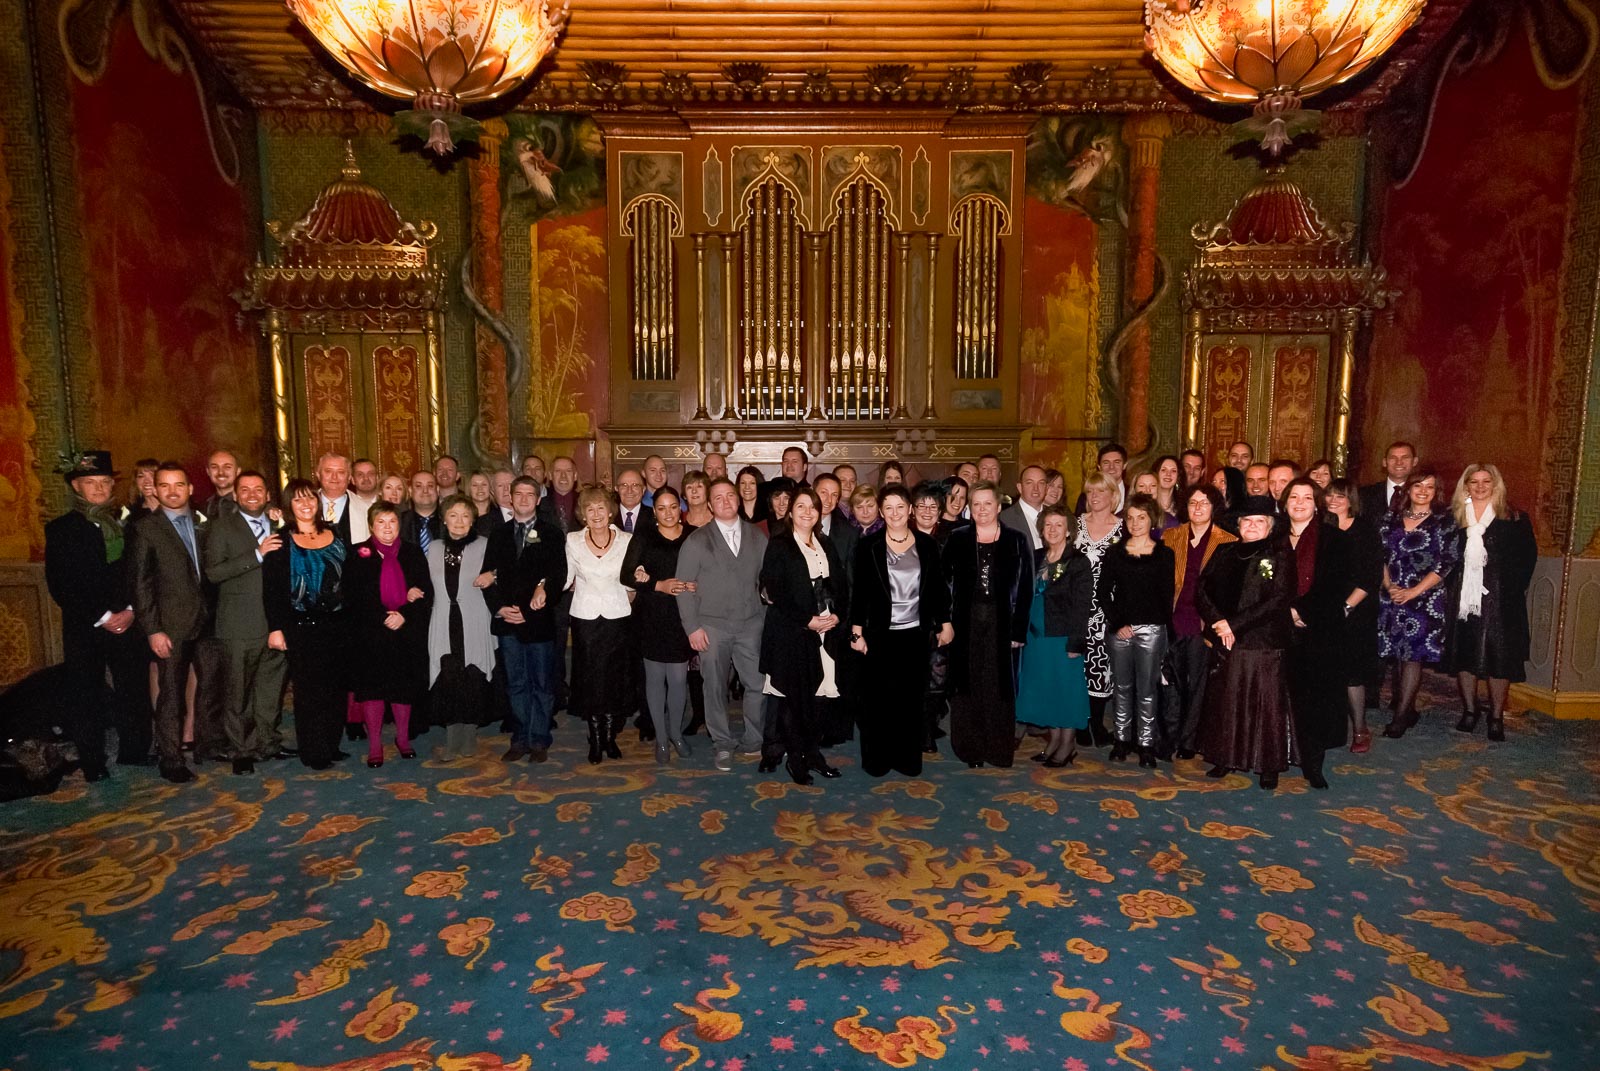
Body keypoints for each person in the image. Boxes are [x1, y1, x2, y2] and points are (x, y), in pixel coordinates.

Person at [45, 450, 150, 780]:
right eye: (91, 483)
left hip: (129, 619)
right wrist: (104, 615)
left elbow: (140, 572)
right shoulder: (62, 529)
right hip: (86, 624)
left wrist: (131, 609)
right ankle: (92, 762)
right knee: (86, 693)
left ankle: (135, 751)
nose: (99, 489)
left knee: (133, 689)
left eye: (104, 482)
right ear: (77, 486)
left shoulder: (129, 525)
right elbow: (60, 583)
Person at [851, 484, 953, 776]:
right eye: (889, 508)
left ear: (910, 510)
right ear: (882, 512)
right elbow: (860, 593)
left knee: (910, 699)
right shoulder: (867, 546)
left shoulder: (927, 544)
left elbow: (937, 589)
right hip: (878, 634)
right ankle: (878, 760)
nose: (895, 513)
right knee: (878, 700)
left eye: (900, 507)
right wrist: (856, 633)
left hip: (915, 634)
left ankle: (907, 759)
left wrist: (945, 622)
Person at [1196, 495, 1296, 789]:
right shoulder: (1224, 551)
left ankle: (1268, 764)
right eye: (1247, 521)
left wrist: (1234, 624)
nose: (1252, 526)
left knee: (1266, 704)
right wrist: (1218, 622)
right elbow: (1201, 590)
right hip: (1226, 639)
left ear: (1270, 526)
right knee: (1227, 700)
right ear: (1238, 526)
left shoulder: (1279, 553)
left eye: (1259, 522)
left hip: (1264, 640)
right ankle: (1225, 757)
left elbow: (1279, 598)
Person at [676, 477, 769, 771]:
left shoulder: (758, 537)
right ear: (710, 504)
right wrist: (692, 627)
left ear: (738, 499)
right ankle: (723, 743)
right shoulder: (697, 540)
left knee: (757, 683)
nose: (726, 501)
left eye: (730, 495)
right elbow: (684, 585)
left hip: (751, 623)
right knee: (714, 687)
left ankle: (755, 740)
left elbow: (768, 579)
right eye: (718, 498)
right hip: (712, 627)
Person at [129, 461, 213, 783]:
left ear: (190, 489)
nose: (172, 491)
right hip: (170, 626)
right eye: (164, 485)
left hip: (207, 622)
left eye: (179, 485)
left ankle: (207, 745)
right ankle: (170, 758)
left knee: (211, 687)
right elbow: (141, 584)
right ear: (155, 489)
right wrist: (153, 629)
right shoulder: (146, 529)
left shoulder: (204, 523)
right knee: (171, 695)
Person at [202, 470, 290, 775]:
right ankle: (240, 749)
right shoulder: (221, 528)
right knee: (237, 691)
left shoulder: (278, 524)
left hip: (275, 623)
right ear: (236, 496)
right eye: (246, 490)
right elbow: (213, 573)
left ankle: (268, 742)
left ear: (267, 495)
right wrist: (257, 554)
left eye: (259, 489)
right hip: (238, 624)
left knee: (270, 689)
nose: (252, 494)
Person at [1441, 464, 1536, 742]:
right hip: (1463, 600)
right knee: (1466, 656)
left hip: (1502, 600)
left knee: (1500, 658)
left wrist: (1508, 589)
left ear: (1496, 485)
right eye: (1474, 481)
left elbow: (1527, 559)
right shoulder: (1454, 517)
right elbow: (1446, 558)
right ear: (1466, 485)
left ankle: (1495, 716)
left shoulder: (1514, 517)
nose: (1480, 486)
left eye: (1487, 481)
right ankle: (1470, 711)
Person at [758, 487, 847, 784]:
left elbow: (840, 584)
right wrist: (806, 620)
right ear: (790, 512)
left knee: (820, 697)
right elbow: (775, 591)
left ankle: (814, 754)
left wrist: (838, 615)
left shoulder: (825, 543)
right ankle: (796, 760)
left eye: (813, 507)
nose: (807, 512)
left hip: (825, 632)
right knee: (795, 701)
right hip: (792, 633)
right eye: (801, 506)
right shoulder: (780, 544)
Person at [262, 478, 350, 771]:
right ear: (289, 505)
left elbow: (347, 580)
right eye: (298, 499)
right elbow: (272, 590)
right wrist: (276, 628)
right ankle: (314, 751)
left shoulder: (335, 534)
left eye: (310, 498)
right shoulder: (281, 541)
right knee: (309, 691)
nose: (306, 504)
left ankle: (332, 744)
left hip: (337, 624)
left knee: (335, 688)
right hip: (302, 626)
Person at [944, 481, 1032, 768]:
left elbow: (1026, 588)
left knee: (997, 686)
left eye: (987, 503)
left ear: (998, 506)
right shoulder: (957, 538)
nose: (982, 509)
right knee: (968, 683)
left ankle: (997, 749)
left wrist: (1018, 631)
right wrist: (944, 623)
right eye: (976, 504)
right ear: (970, 507)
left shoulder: (1016, 540)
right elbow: (943, 584)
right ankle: (970, 749)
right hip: (964, 623)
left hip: (1002, 622)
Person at [486, 476, 568, 762]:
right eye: (517, 494)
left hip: (539, 622)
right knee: (516, 683)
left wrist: (532, 608)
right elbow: (488, 576)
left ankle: (539, 739)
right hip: (507, 621)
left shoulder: (553, 533)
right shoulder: (498, 534)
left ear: (538, 499)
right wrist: (499, 608)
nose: (523, 499)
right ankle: (520, 737)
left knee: (542, 684)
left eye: (529, 494)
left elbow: (558, 578)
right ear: (509, 497)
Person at [345, 501, 431, 768]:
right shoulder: (358, 554)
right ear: (371, 525)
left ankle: (403, 740)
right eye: (380, 522)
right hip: (371, 633)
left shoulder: (413, 553)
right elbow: (353, 597)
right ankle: (374, 746)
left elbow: (425, 593)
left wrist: (404, 613)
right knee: (373, 689)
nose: (387, 528)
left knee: (402, 688)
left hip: (405, 631)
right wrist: (384, 616)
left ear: (399, 524)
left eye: (392, 522)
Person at [1377, 469, 1459, 738]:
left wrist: (1413, 592)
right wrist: (1390, 586)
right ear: (1408, 489)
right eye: (1418, 485)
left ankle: (1400, 717)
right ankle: (1408, 708)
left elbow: (1446, 563)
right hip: (1392, 593)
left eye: (1430, 487)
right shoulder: (1391, 518)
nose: (1423, 491)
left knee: (1413, 656)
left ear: (1437, 492)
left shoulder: (1444, 521)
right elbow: (1380, 556)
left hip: (1425, 597)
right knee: (1399, 655)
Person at [1096, 494, 1175, 767]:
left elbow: (1166, 597)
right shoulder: (1114, 552)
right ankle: (1121, 740)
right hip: (1120, 630)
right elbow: (1104, 592)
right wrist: (1118, 624)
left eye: (1141, 517)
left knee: (1147, 689)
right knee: (1122, 686)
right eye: (1130, 517)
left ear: (1152, 519)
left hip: (1152, 631)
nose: (1135, 523)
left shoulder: (1165, 554)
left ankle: (1145, 744)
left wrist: (1162, 630)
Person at [1160, 484, 1236, 760]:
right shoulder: (1171, 536)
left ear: (1214, 507)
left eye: (1204, 503)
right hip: (1174, 616)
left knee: (1198, 683)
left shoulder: (1227, 541)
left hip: (1205, 621)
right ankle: (1169, 737)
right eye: (1193, 503)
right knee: (1172, 681)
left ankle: (1190, 741)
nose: (1198, 508)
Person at [621, 487, 696, 762]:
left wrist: (695, 585)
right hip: (650, 616)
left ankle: (676, 733)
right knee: (654, 680)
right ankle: (661, 740)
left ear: (681, 508)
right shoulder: (644, 537)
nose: (668, 513)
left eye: (673, 507)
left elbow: (705, 572)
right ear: (654, 512)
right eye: (661, 508)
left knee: (678, 680)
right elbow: (626, 575)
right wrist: (657, 585)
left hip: (681, 616)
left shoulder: (692, 536)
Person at [1282, 478, 1347, 789]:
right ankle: (1273, 757)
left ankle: (1313, 763)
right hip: (1277, 628)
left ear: (1317, 503)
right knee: (1277, 697)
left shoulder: (1333, 538)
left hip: (1317, 629)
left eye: (1307, 497)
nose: (1299, 502)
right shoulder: (1272, 536)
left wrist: (1300, 612)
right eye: (1293, 496)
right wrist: (1285, 612)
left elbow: (1334, 586)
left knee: (1313, 700)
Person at [1016, 504, 1093, 767]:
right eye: (1048, 524)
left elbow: (1082, 606)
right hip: (1036, 636)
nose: (1053, 529)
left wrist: (1076, 642)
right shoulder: (1037, 557)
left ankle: (1067, 744)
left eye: (1059, 525)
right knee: (1047, 690)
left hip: (1062, 638)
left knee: (1066, 692)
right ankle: (1054, 740)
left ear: (1069, 530)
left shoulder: (1078, 562)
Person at [565, 486, 635, 762]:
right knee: (591, 680)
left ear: (610, 512)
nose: (595, 514)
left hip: (618, 617)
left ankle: (609, 737)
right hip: (585, 619)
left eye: (600, 508)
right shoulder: (572, 540)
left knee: (614, 680)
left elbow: (632, 578)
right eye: (589, 509)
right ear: (583, 514)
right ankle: (594, 739)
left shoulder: (627, 540)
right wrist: (541, 586)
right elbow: (565, 576)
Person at [426, 494, 496, 760]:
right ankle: (452, 737)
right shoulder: (433, 548)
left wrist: (494, 575)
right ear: (444, 519)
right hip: (444, 619)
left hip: (475, 619)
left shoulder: (484, 545)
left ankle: (469, 736)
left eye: (465, 515)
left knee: (473, 677)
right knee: (449, 677)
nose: (459, 521)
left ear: (473, 520)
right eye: (453, 515)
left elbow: (501, 571)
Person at [1324, 477, 1382, 752]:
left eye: (1341, 496)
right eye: (1330, 496)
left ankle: (1360, 729)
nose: (1334, 501)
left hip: (1356, 609)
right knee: (1324, 671)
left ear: (1351, 501)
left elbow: (1370, 577)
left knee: (1352, 673)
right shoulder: (1320, 528)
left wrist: (1345, 608)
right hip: (1324, 607)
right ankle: (1328, 729)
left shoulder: (1365, 531)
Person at [1074, 472, 1123, 746]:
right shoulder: (1076, 523)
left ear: (1112, 495)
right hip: (1077, 609)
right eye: (1090, 492)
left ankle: (1097, 723)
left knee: (1101, 668)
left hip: (1107, 610)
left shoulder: (1124, 528)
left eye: (1100, 492)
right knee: (1077, 667)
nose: (1094, 497)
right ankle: (1080, 722)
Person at [1000, 465, 1047, 561]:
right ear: (1020, 487)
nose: (1036, 488)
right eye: (1029, 483)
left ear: (1046, 488)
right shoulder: (1004, 519)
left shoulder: (1057, 516)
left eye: (1041, 483)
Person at [1360, 441, 1418, 520]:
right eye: (1393, 458)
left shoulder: (1423, 494)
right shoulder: (1364, 494)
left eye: (1405, 457)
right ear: (1384, 462)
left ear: (1414, 461)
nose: (1399, 462)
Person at [316, 453, 362, 544]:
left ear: (349, 477)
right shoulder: (301, 508)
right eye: (328, 471)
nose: (334, 477)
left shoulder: (366, 510)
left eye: (341, 472)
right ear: (318, 474)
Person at [1073, 443, 1128, 514]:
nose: (1111, 467)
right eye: (1106, 463)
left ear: (1124, 465)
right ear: (1099, 467)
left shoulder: (1133, 494)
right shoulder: (1086, 497)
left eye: (1116, 462)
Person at [540, 456, 582, 533]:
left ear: (575, 476)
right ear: (550, 476)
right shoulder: (539, 505)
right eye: (558, 471)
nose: (563, 476)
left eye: (568, 471)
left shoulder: (585, 503)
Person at [615, 468, 653, 535]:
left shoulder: (654, 516)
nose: (629, 491)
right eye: (624, 485)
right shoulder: (608, 516)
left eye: (635, 485)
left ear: (643, 489)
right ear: (616, 489)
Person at [205, 450, 241, 518]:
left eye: (227, 467)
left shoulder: (248, 504)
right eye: (214, 467)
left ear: (238, 471)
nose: (221, 472)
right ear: (208, 471)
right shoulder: (203, 507)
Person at [1153, 456, 1182, 523]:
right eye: (1163, 470)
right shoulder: (1147, 503)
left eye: (1173, 471)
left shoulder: (1184, 506)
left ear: (1178, 477)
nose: (1168, 474)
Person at [350, 458, 381, 522]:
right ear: (353, 480)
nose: (366, 478)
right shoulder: (347, 506)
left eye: (370, 474)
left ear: (377, 478)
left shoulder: (388, 503)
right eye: (360, 474)